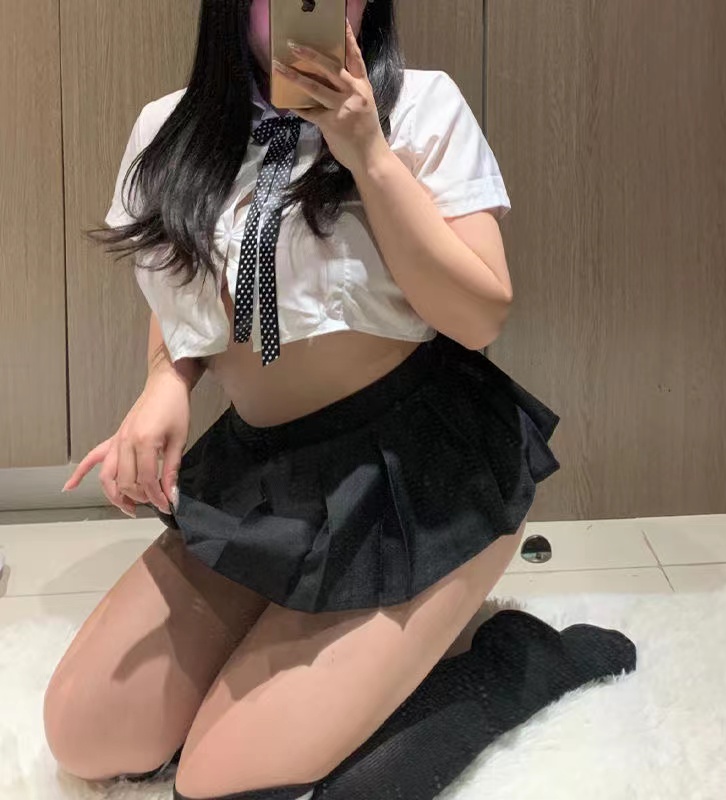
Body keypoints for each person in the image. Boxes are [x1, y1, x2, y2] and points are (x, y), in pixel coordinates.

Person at [43, 2, 636, 799]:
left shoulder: (421, 107)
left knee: (224, 782)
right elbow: (181, 288)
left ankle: (511, 662)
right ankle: (313, 637)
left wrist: (368, 153)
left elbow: (479, 315)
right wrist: (166, 380)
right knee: (86, 733)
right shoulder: (170, 130)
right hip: (262, 473)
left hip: (413, 477)